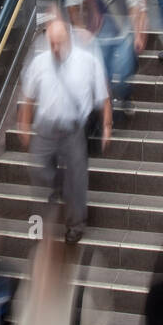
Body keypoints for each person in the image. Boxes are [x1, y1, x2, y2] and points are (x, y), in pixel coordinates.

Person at [16, 17, 111, 243]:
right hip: (46, 129)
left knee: (77, 179)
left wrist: (107, 125)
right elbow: (28, 97)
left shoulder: (87, 62)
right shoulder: (40, 63)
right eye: (51, 43)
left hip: (73, 130)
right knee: (39, 172)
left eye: (59, 42)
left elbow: (103, 97)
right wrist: (24, 124)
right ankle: (54, 196)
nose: (55, 48)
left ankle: (75, 225)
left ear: (68, 39)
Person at [65, 0, 146, 118]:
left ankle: (125, 97)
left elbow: (135, 5)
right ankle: (107, 117)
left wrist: (138, 34)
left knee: (124, 73)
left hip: (123, 32)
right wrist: (79, 28)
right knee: (105, 75)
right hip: (101, 34)